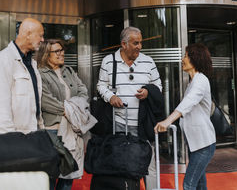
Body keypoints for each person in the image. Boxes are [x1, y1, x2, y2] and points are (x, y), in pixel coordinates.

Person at [97, 26, 162, 190]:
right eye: (135, 43)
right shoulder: (108, 61)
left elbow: (158, 85)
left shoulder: (148, 61)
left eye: (140, 43)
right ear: (124, 44)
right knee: (121, 163)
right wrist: (110, 97)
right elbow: (101, 85)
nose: (139, 46)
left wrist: (148, 92)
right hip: (118, 122)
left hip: (143, 123)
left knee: (150, 164)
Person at [154, 43, 216, 190]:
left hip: (204, 144)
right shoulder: (192, 82)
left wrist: (167, 121)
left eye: (186, 56)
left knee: (188, 184)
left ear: (195, 59)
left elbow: (187, 104)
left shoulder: (200, 81)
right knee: (200, 184)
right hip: (197, 143)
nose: (182, 59)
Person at [36, 39, 93, 190]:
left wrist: (72, 110)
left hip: (72, 128)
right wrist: (71, 110)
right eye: (57, 51)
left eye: (62, 50)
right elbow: (45, 100)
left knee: (68, 172)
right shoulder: (40, 73)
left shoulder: (68, 70)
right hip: (52, 131)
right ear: (46, 55)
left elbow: (83, 91)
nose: (61, 54)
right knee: (50, 175)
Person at [0, 18, 45, 136]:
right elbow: (1, 104)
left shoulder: (31, 62)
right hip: (10, 134)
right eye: (40, 36)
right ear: (28, 34)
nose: (42, 40)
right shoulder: (4, 59)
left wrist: (40, 127)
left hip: (30, 132)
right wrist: (10, 137)